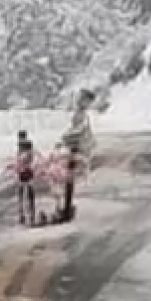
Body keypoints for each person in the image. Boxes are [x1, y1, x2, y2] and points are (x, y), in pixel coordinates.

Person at [57, 90, 96, 222]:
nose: (78, 100)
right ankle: (67, 206)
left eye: (82, 99)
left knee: (69, 178)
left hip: (79, 148)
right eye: (79, 98)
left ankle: (67, 208)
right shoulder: (80, 114)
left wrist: (64, 137)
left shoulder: (83, 115)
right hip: (77, 148)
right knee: (69, 178)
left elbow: (79, 130)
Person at [12, 131, 39, 225]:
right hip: (28, 171)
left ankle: (22, 214)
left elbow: (18, 161)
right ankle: (31, 213)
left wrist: (16, 170)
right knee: (29, 192)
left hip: (23, 172)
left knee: (22, 192)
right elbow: (32, 158)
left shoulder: (21, 148)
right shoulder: (28, 147)